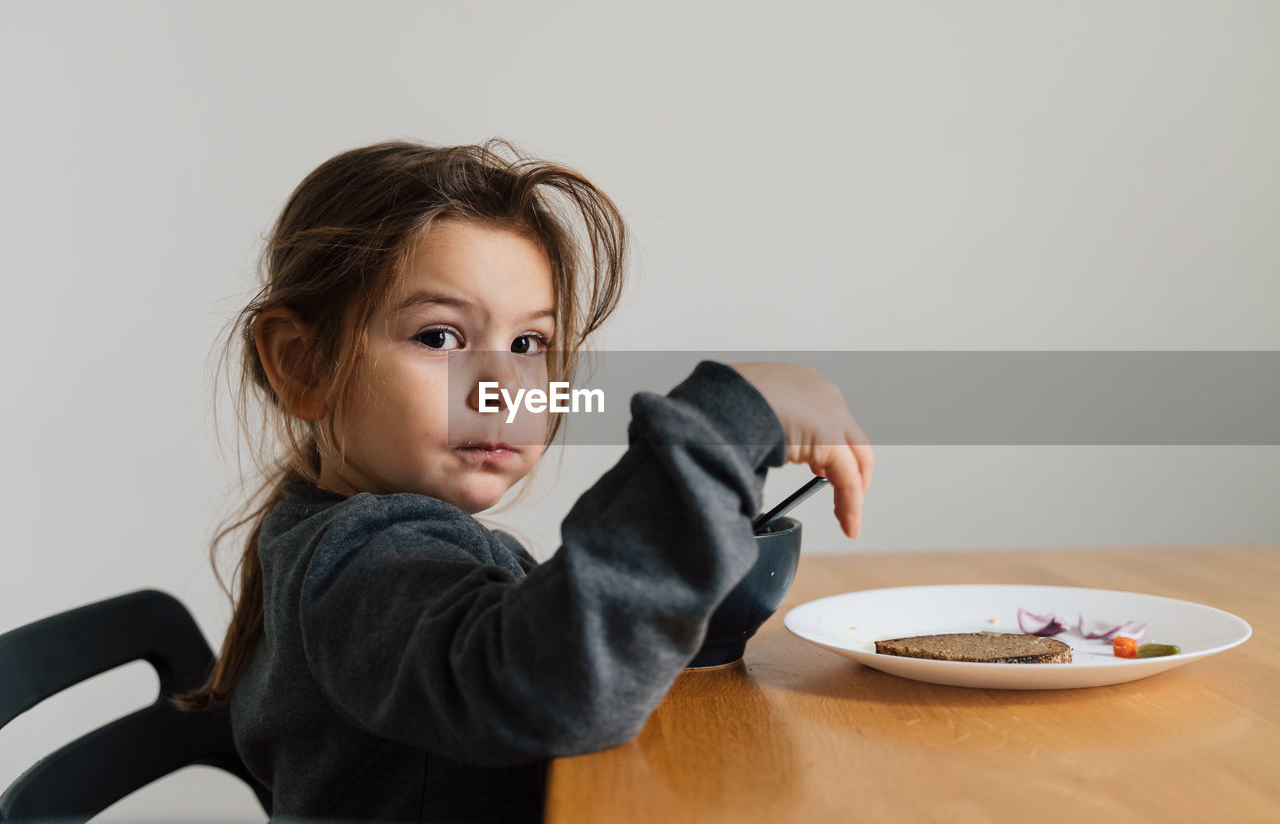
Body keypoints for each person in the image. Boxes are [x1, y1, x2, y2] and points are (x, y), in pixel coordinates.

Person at [173, 138, 874, 823]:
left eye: (528, 344)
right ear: (303, 364)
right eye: (440, 337)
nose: (502, 388)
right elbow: (550, 686)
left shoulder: (370, 540)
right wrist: (723, 422)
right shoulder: (359, 563)